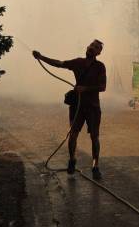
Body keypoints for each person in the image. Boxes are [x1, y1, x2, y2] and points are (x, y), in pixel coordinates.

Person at [33, 39, 107, 180]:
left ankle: (95, 166)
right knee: (73, 134)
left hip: (92, 107)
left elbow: (103, 87)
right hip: (77, 105)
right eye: (91, 45)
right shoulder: (78, 62)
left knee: (94, 137)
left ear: (99, 53)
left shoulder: (100, 67)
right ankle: (72, 160)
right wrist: (41, 57)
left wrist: (85, 88)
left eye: (96, 47)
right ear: (87, 47)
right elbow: (59, 64)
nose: (92, 48)